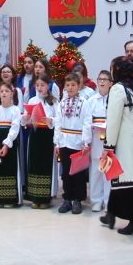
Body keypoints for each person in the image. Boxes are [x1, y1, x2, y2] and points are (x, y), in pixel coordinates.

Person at [99, 57, 133, 237]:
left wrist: (108, 146)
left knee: (127, 181)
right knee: (132, 181)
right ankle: (114, 214)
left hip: (127, 142)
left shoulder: (118, 89)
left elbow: (113, 120)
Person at [53, 72, 92, 215]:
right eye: (67, 85)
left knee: (78, 173)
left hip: (78, 142)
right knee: (66, 173)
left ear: (79, 86)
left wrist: (86, 142)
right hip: (64, 141)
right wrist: (57, 142)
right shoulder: (61, 103)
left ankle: (78, 200)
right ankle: (67, 198)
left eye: (73, 85)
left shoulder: (84, 103)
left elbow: (87, 122)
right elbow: (58, 123)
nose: (70, 88)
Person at [22, 73, 59, 209]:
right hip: (35, 134)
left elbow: (59, 119)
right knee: (34, 164)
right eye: (37, 85)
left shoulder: (53, 101)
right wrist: (26, 118)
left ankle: (44, 198)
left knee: (45, 164)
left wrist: (51, 120)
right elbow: (25, 119)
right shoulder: (32, 100)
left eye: (42, 85)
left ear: (48, 86)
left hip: (47, 135)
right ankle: (34, 197)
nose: (39, 88)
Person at [0, 83, 23, 208]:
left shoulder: (15, 110)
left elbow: (15, 128)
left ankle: (10, 199)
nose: (3, 93)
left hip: (10, 143)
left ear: (12, 94)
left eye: (6, 91)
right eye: (1, 91)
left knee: (10, 168)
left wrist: (7, 144)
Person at [87, 70, 112, 213]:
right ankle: (96, 200)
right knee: (96, 170)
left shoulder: (114, 100)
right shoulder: (91, 100)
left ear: (110, 83)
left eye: (105, 79)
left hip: (109, 138)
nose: (102, 82)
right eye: (100, 79)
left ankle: (109, 201)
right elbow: (87, 120)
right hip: (96, 137)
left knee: (108, 169)